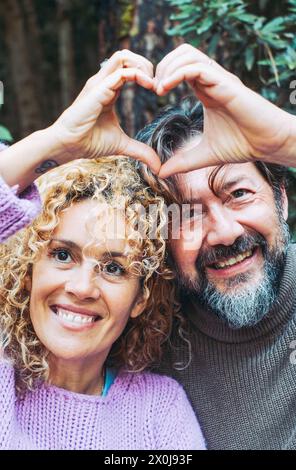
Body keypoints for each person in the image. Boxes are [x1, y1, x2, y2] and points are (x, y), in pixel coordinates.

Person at [137, 44, 296, 450]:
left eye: (239, 193)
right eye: (188, 214)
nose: (224, 232)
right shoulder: (139, 337)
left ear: (281, 199)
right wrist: (60, 142)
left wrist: (286, 138)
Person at [0, 155, 206, 450]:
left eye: (113, 268)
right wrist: (59, 139)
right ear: (29, 270)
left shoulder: (158, 409)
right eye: (62, 255)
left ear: (140, 298)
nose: (82, 288)